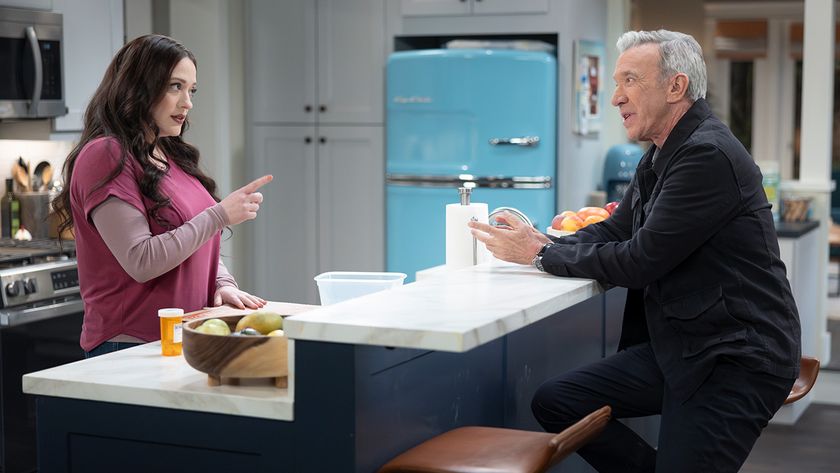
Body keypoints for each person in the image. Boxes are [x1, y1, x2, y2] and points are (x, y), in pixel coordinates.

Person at [469, 30, 800, 472]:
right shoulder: (661, 152)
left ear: (675, 87)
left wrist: (539, 256)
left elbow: (639, 260)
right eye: (615, 84)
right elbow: (616, 229)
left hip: (737, 358)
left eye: (629, 81)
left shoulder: (706, 155)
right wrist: (547, 243)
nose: (615, 98)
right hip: (687, 347)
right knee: (558, 401)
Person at [53, 35, 272, 358]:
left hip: (181, 335)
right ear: (138, 87)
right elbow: (141, 260)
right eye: (175, 87)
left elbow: (198, 241)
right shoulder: (106, 154)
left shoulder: (169, 153)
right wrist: (220, 215)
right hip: (127, 347)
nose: (188, 102)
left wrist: (221, 284)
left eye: (191, 90)